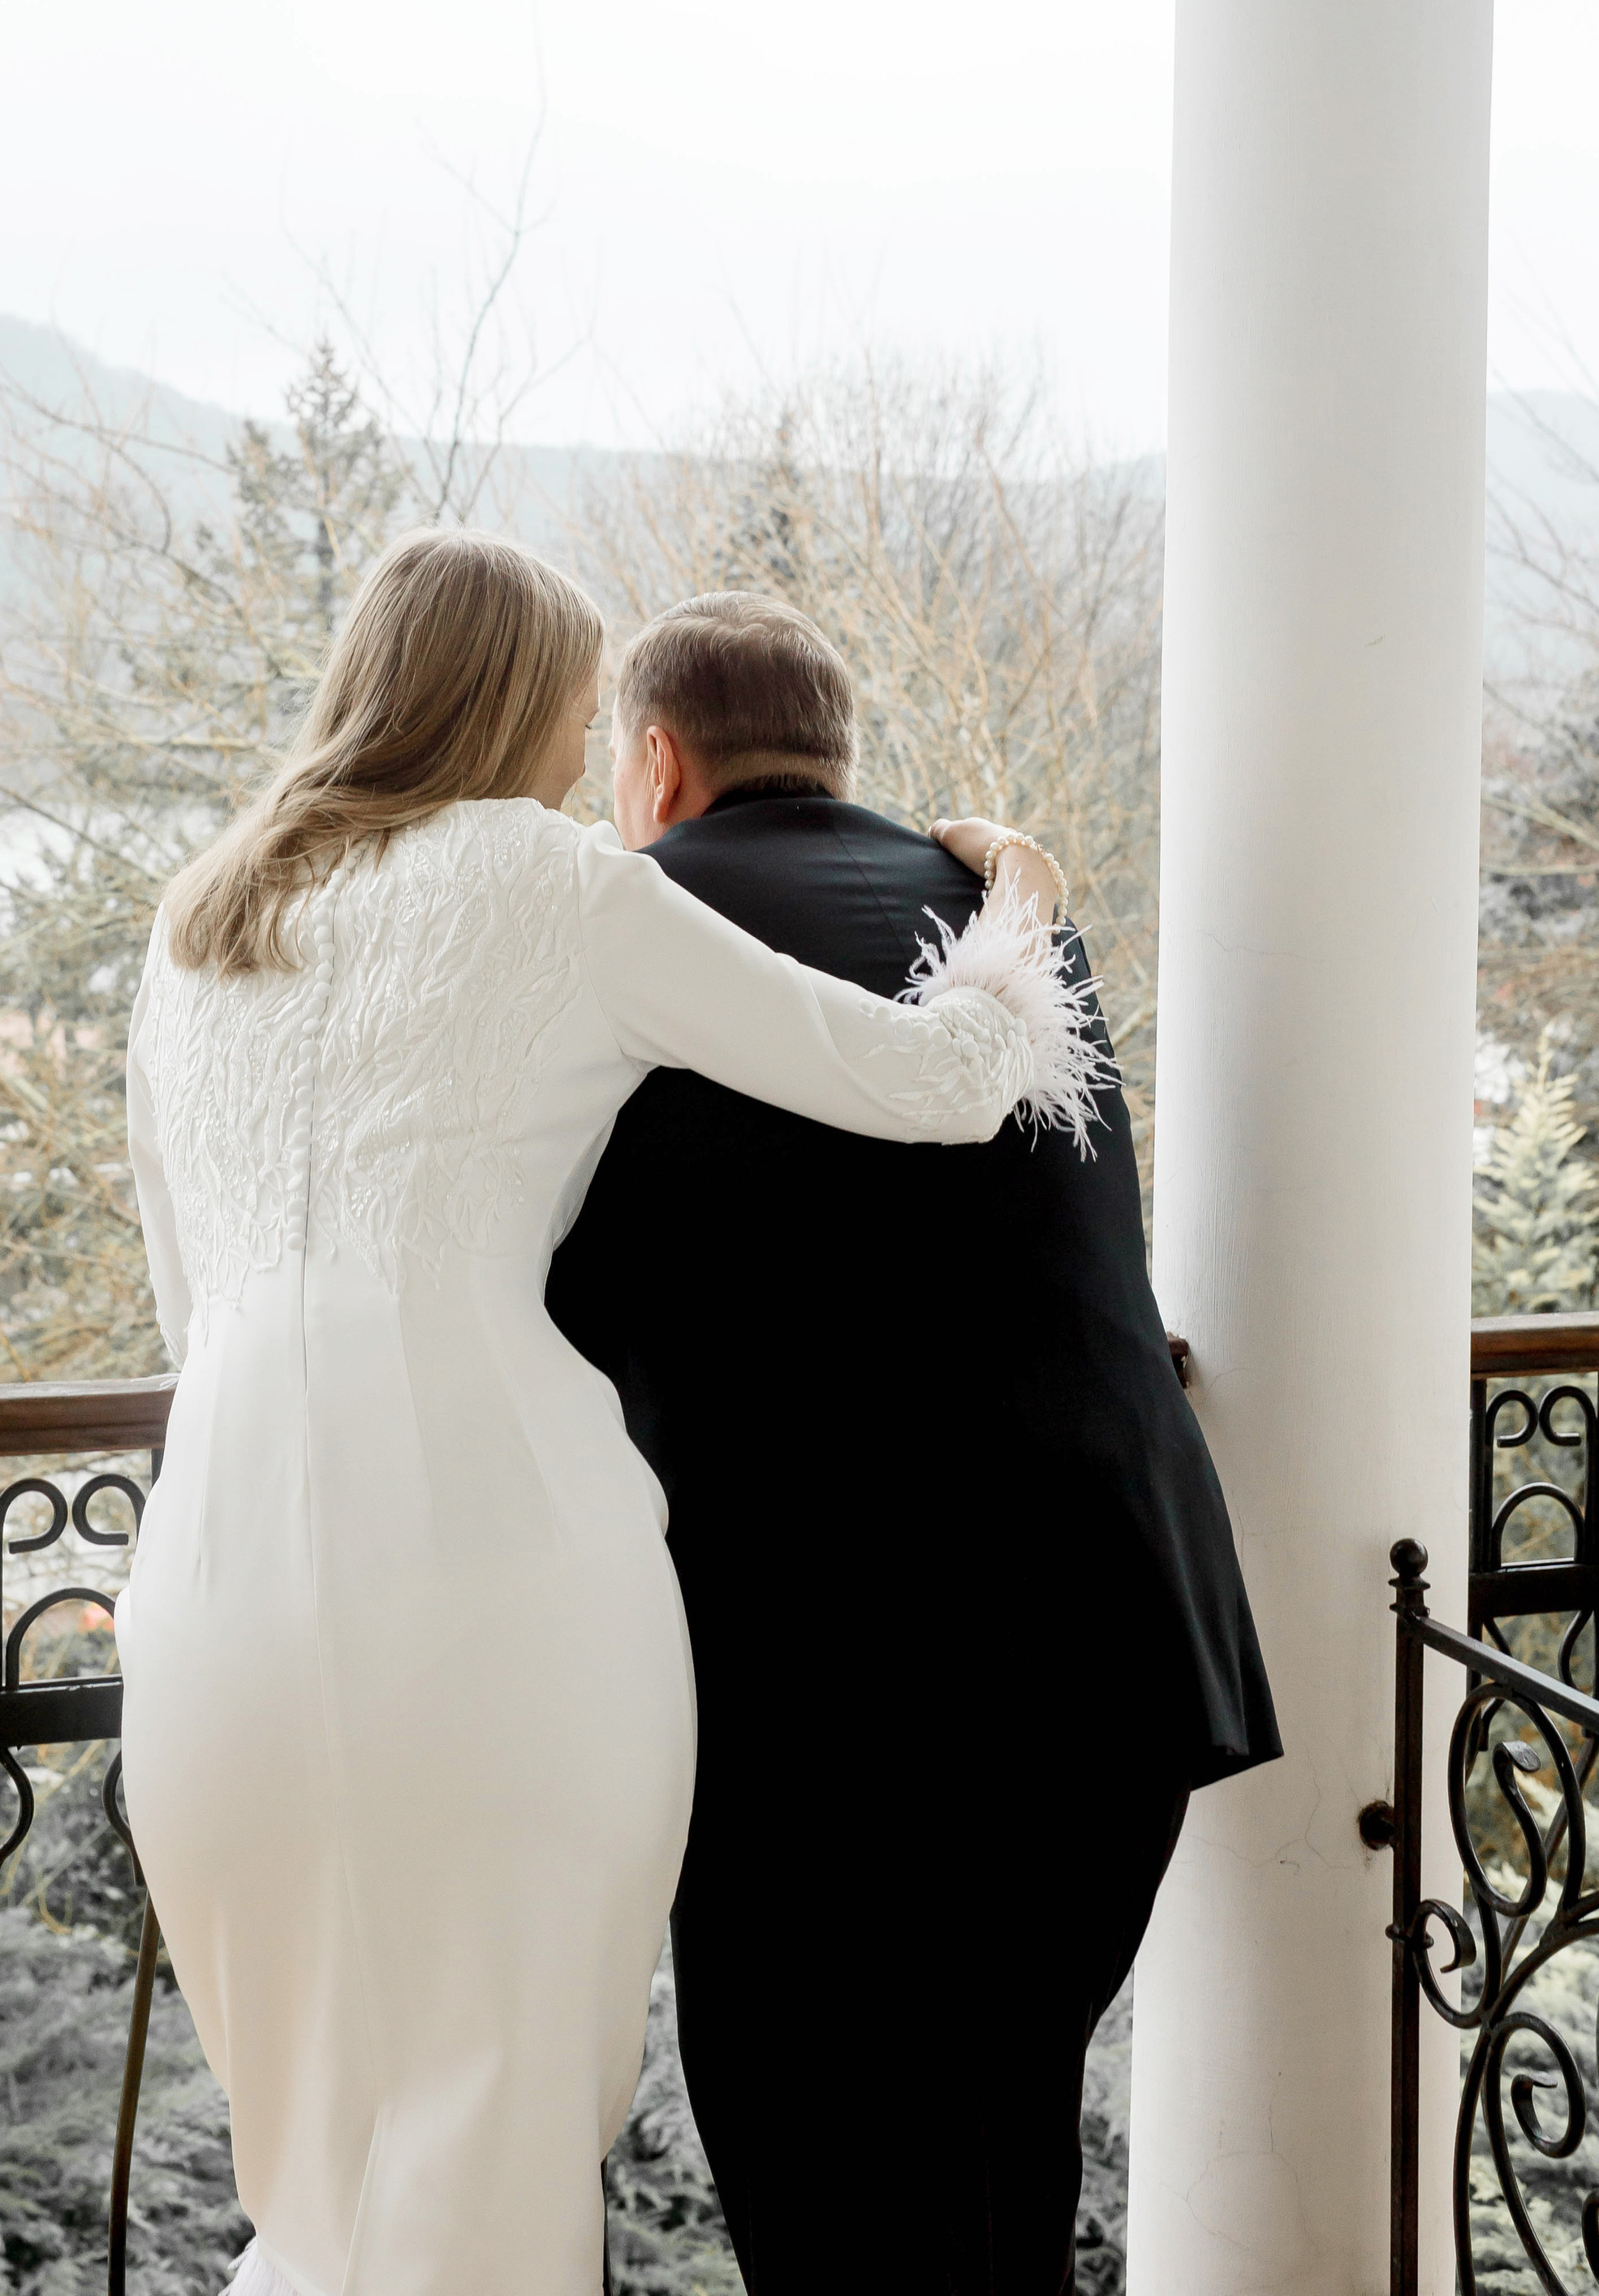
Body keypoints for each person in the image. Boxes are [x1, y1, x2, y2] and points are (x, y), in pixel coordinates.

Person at [114, 532, 1109, 2296]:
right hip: (501, 1558)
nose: (586, 754)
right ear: (521, 708)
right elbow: (942, 1083)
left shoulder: (203, 917)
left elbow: (188, 1293)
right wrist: (1017, 896)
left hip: (215, 1572)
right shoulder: (562, 886)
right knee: (496, 2094)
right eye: (573, 712)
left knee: (313, 2139)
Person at [546, 591, 1280, 2296]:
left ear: (653, 759)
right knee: (994, 2154)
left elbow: (567, 1294)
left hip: (837, 1699)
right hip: (1117, 1656)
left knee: (830, 2205)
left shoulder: (623, 929)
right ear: (840, 751)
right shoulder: (1003, 917)